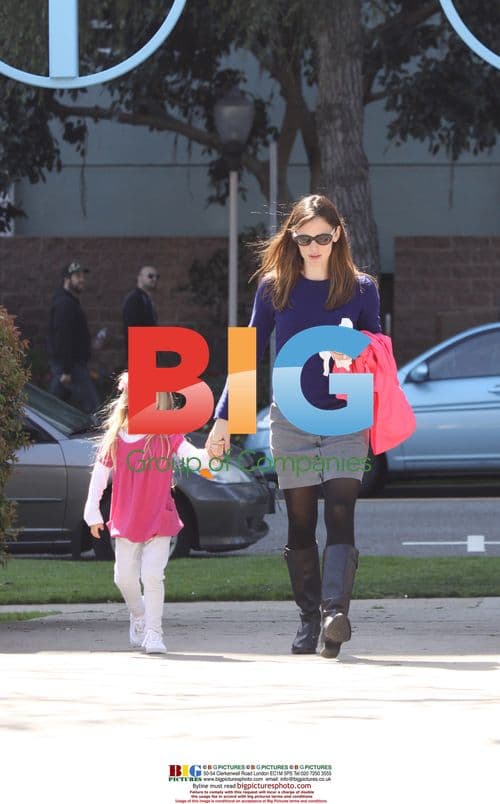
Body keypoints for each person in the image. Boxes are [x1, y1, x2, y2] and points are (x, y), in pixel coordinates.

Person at [206, 194, 382, 659]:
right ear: (294, 239)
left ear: (338, 234)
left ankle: (333, 614)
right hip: (292, 418)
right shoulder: (275, 287)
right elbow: (247, 354)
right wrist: (225, 419)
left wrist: (358, 353)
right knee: (301, 522)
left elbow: (377, 349)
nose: (314, 246)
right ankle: (309, 618)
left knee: (341, 513)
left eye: (323, 237)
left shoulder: (362, 289)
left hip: (347, 412)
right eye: (304, 239)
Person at [83, 372, 210, 654]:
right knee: (123, 578)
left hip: (159, 514)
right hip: (127, 516)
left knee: (153, 576)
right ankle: (138, 614)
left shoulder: (166, 433)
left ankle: (154, 633)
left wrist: (209, 454)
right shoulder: (116, 436)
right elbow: (100, 475)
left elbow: (191, 455)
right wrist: (92, 511)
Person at [48, 260, 99, 413]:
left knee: (54, 408)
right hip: (72, 367)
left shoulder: (69, 302)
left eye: (83, 276)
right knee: (94, 409)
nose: (82, 279)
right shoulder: (65, 304)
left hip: (71, 366)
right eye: (77, 276)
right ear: (67, 279)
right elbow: (62, 337)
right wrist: (66, 370)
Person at [122, 266, 160, 357]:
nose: (154, 279)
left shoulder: (145, 299)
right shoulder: (135, 298)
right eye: (150, 276)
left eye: (157, 277)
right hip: (140, 353)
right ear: (140, 278)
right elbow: (132, 326)